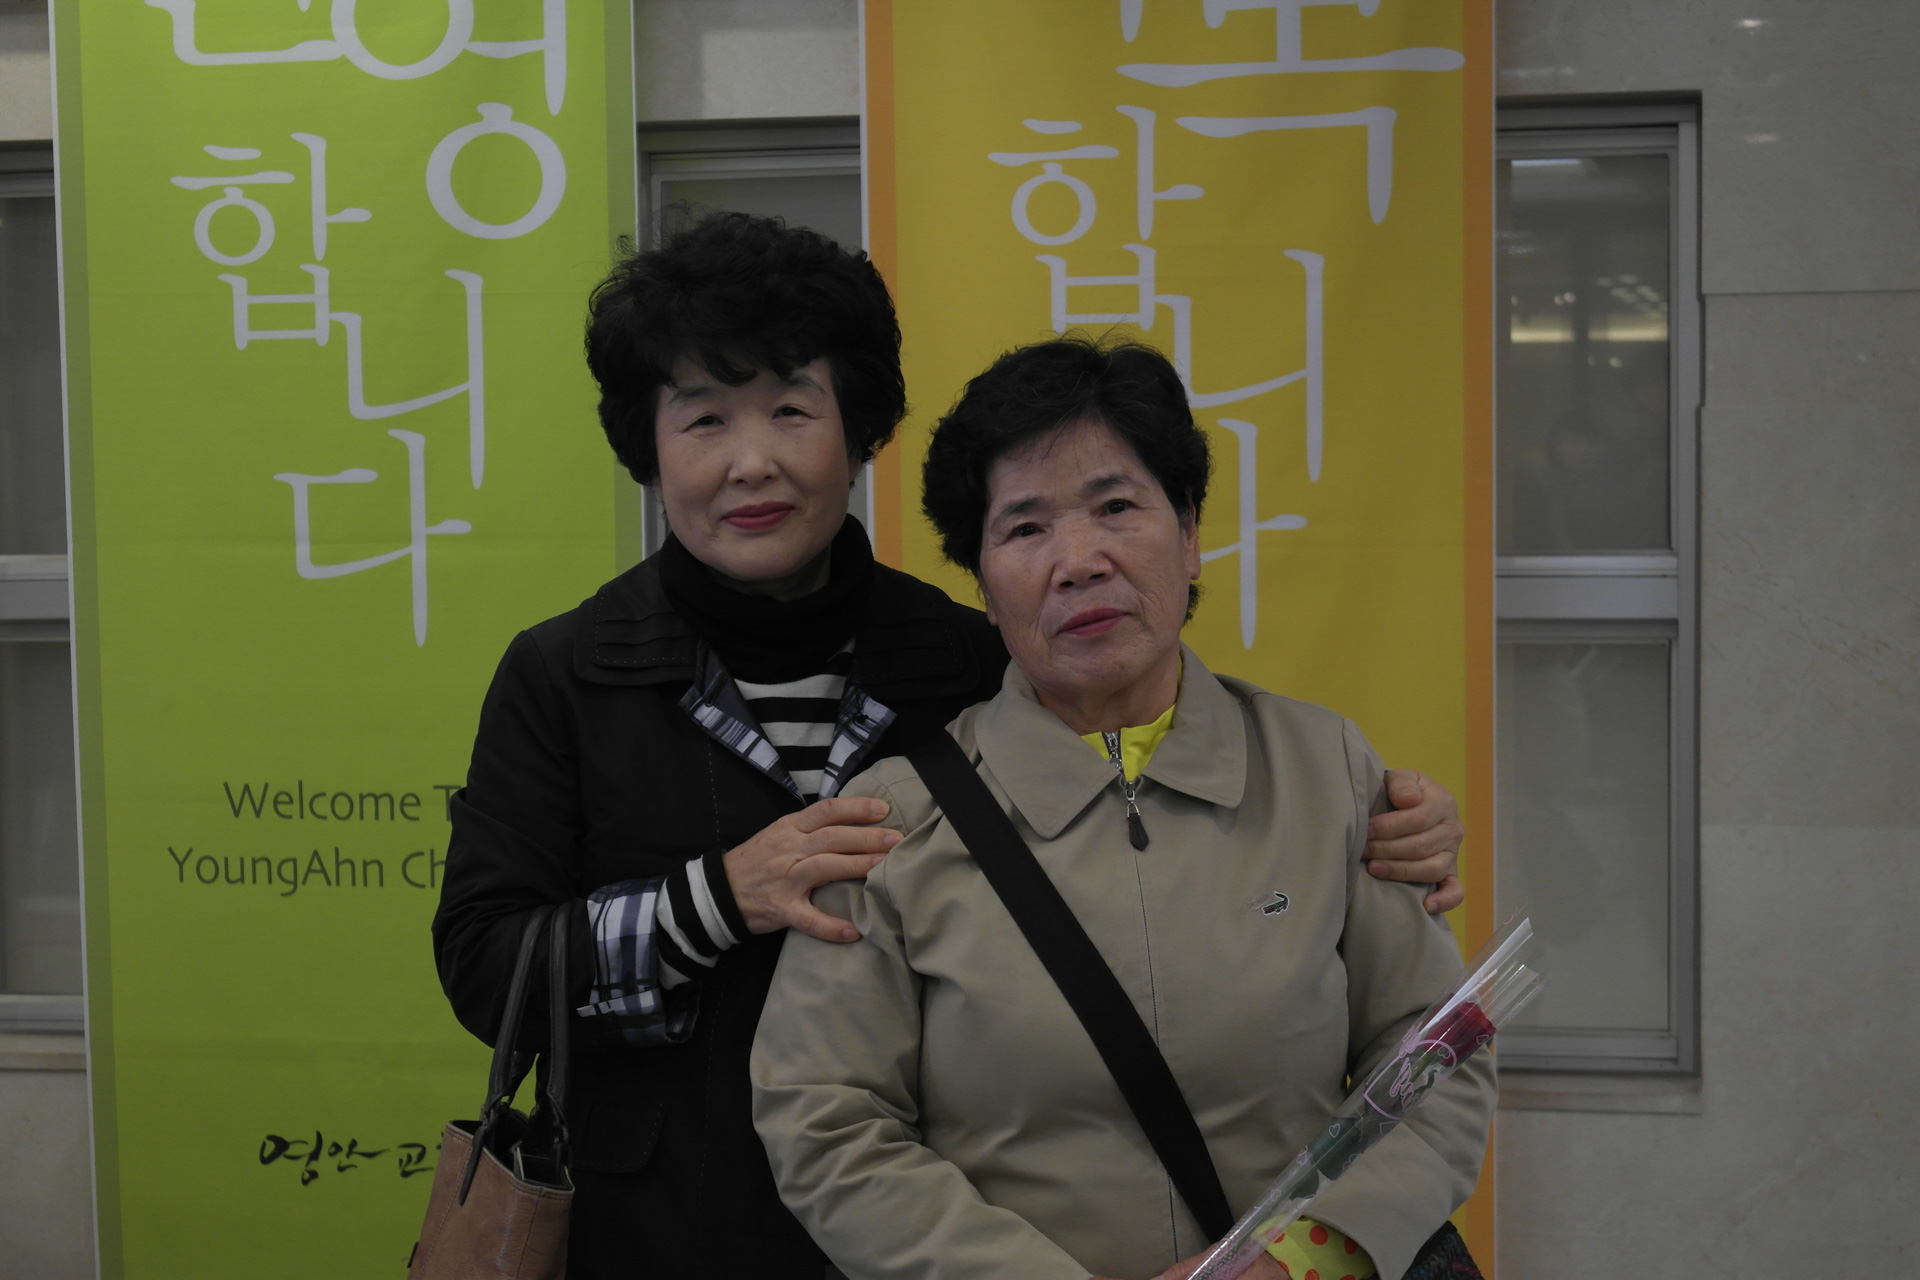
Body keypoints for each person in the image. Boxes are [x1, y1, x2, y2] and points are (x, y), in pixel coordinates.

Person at [431, 213, 1467, 1280]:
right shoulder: (566, 675)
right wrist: (716, 898)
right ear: (646, 448)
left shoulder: (971, 653)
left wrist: (1387, 823)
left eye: (791, 408)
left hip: (948, 1234)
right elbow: (484, 967)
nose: (752, 462)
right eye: (702, 420)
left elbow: (1138, 805)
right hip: (670, 1227)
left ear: (857, 429)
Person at [751, 336, 1495, 1280]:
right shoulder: (892, 822)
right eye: (1025, 528)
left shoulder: (1326, 770)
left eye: (1116, 507)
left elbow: (1434, 1055)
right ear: (984, 588)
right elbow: (827, 1120)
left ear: (1189, 534)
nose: (1079, 561)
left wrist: (1306, 1258)